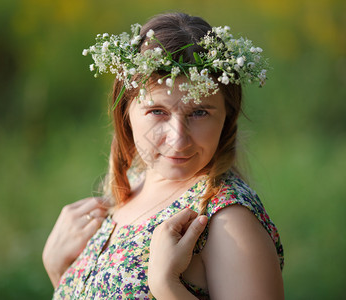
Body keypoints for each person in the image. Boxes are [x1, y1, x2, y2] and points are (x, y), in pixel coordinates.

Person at [42, 12, 284, 299]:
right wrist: (58, 272)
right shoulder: (133, 184)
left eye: (200, 112)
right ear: (126, 114)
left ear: (227, 117)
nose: (178, 139)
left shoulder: (228, 222)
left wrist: (167, 287)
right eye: (158, 111)